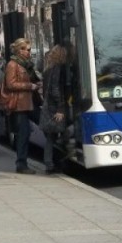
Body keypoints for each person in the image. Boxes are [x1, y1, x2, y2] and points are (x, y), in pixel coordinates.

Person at [4, 38, 41, 174]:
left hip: (30, 102)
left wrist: (37, 84)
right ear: (18, 50)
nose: (28, 52)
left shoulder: (27, 64)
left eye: (29, 49)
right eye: (25, 49)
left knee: (45, 123)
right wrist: (29, 86)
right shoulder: (12, 64)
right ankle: (21, 164)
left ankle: (53, 156)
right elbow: (10, 84)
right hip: (19, 105)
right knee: (23, 135)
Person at [39, 45, 69, 174]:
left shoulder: (48, 69)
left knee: (51, 137)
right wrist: (61, 108)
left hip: (48, 106)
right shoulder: (58, 69)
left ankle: (50, 163)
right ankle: (53, 163)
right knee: (57, 136)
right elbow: (55, 90)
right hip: (54, 108)